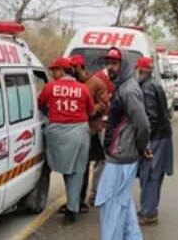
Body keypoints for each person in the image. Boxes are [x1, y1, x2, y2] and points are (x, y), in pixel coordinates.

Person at [95, 47, 150, 240]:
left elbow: (143, 124)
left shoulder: (128, 90)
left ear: (124, 65)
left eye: (114, 63)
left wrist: (142, 148)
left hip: (121, 158)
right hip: (121, 155)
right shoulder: (123, 86)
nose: (110, 67)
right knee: (122, 202)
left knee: (110, 204)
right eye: (108, 63)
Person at [38, 57, 94, 224]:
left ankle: (71, 205)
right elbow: (91, 111)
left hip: (57, 134)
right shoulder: (83, 88)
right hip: (79, 133)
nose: (53, 74)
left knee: (65, 168)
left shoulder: (50, 87)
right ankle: (72, 208)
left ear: (61, 71)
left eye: (54, 70)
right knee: (77, 171)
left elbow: (40, 104)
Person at [70, 54, 115, 209]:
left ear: (80, 67)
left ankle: (80, 200)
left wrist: (88, 111)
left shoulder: (96, 83)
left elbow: (103, 104)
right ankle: (74, 199)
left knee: (83, 165)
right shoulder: (70, 83)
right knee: (73, 166)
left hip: (90, 130)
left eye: (74, 67)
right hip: (72, 129)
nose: (71, 70)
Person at [135, 57, 173, 226]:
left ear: (141, 70)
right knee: (151, 174)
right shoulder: (152, 84)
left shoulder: (147, 88)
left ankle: (149, 212)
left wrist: (146, 142)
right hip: (161, 135)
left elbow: (151, 117)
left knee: (150, 175)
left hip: (156, 137)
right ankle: (148, 208)